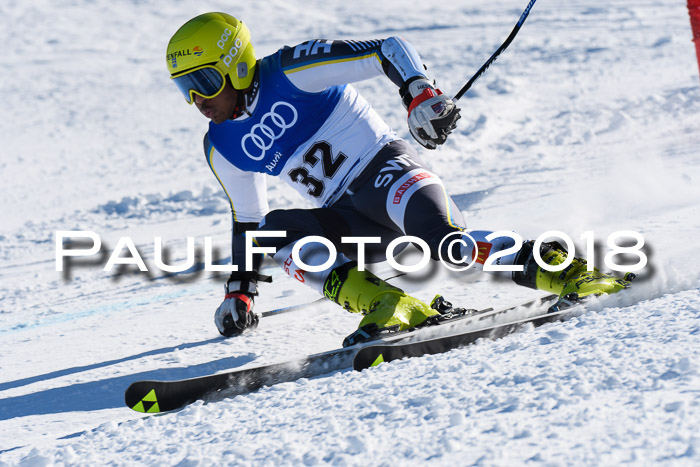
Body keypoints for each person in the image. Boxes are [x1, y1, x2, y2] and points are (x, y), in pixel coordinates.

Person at [165, 12, 630, 344]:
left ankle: (575, 272)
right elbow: (247, 219)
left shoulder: (291, 70)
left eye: (205, 82)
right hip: (349, 218)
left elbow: (386, 50)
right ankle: (388, 305)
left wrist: (420, 94)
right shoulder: (220, 146)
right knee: (272, 234)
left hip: (389, 174)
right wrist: (240, 291)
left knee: (453, 253)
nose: (199, 101)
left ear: (236, 64)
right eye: (187, 89)